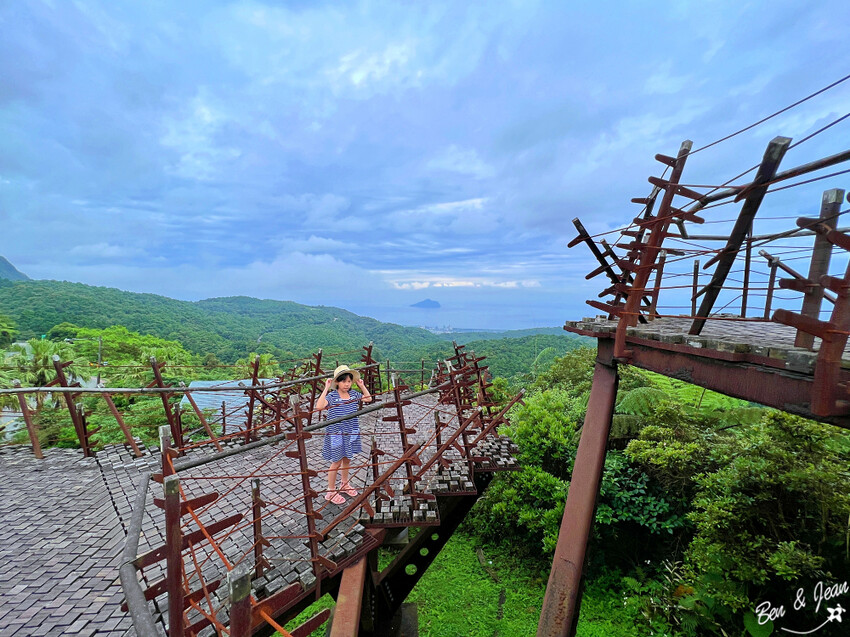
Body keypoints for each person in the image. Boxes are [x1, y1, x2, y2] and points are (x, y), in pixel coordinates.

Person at [316, 364, 372, 504]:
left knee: (347, 458)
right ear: (337, 382)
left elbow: (368, 398)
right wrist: (326, 388)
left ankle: (344, 483)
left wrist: (361, 385)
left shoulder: (353, 394)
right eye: (343, 381)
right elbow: (320, 406)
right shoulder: (333, 396)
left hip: (351, 430)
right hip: (336, 432)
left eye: (349, 381)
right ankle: (330, 491)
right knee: (336, 461)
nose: (347, 384)